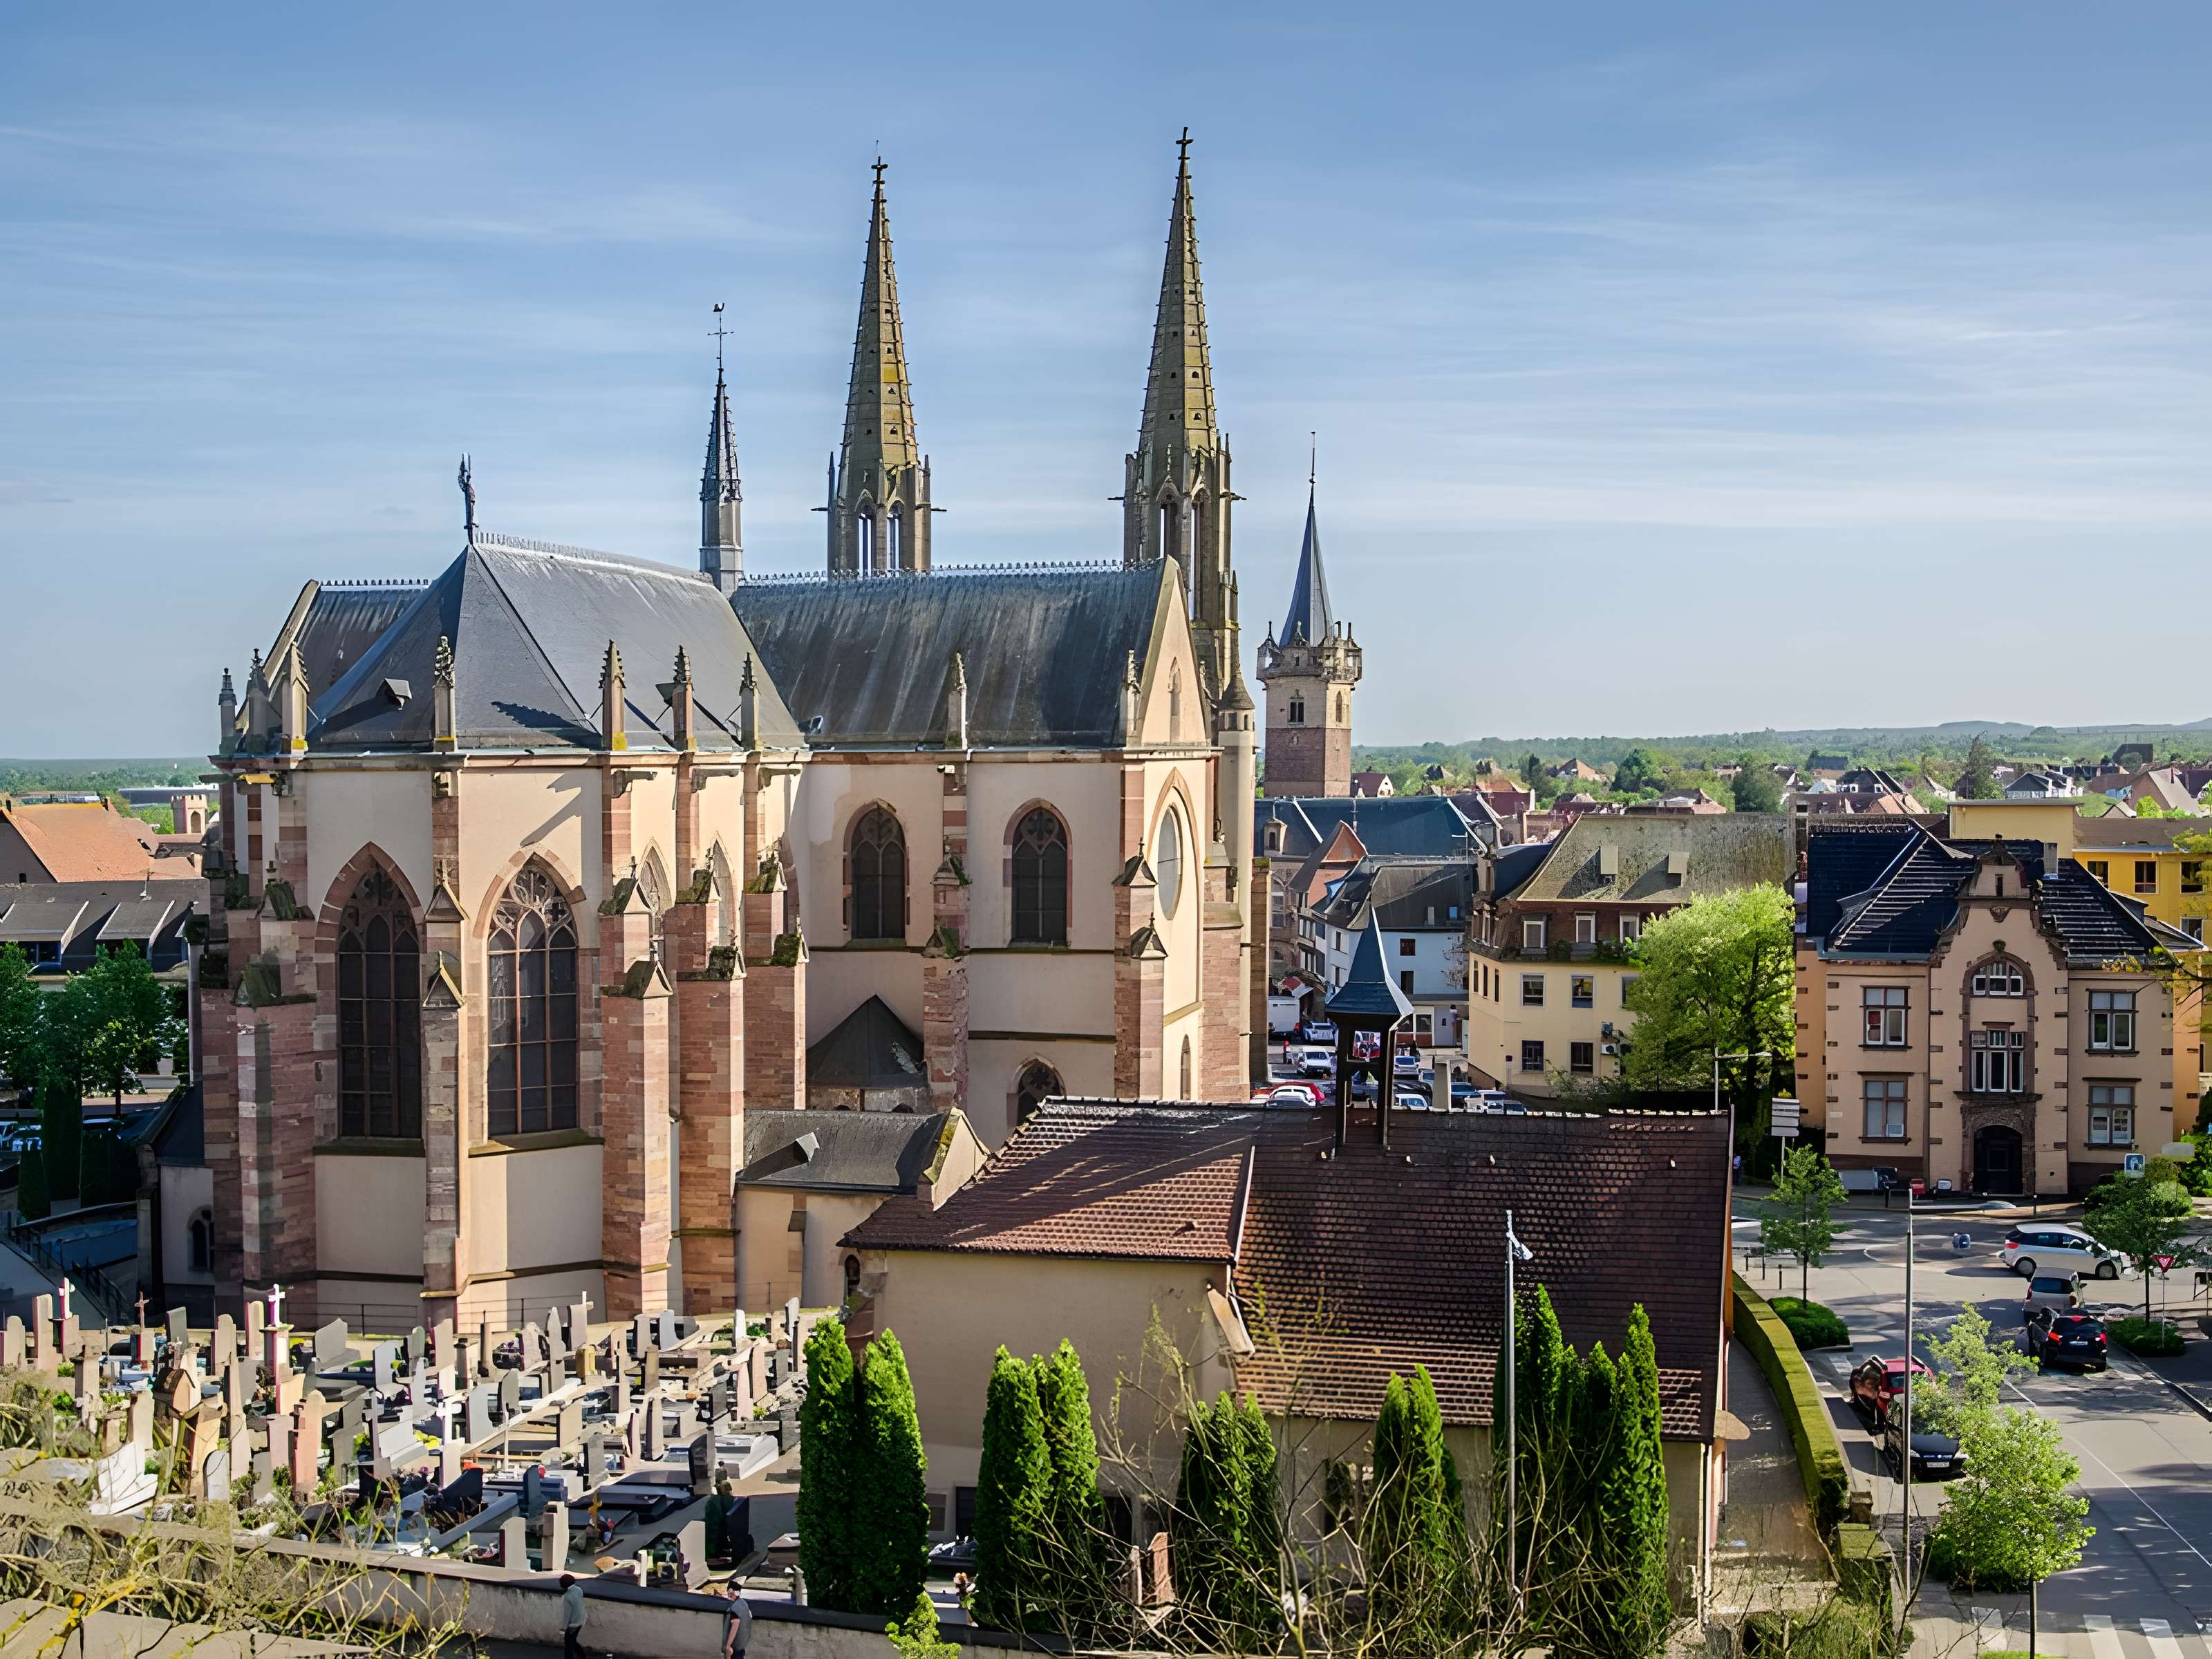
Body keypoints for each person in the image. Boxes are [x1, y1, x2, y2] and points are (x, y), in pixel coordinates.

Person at [720, 1580, 753, 1659]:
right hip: (742, 1644)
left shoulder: (734, 1608)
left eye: (732, 1593)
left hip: (734, 1645)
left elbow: (735, 1624)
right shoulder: (744, 1604)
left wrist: (728, 1646)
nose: (730, 1595)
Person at [559, 1573, 585, 1659]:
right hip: (581, 1620)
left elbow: (567, 1614)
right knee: (573, 1641)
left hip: (572, 1624)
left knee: (568, 1645)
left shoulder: (568, 1596)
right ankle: (582, 1656)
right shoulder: (579, 1590)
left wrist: (564, 1628)